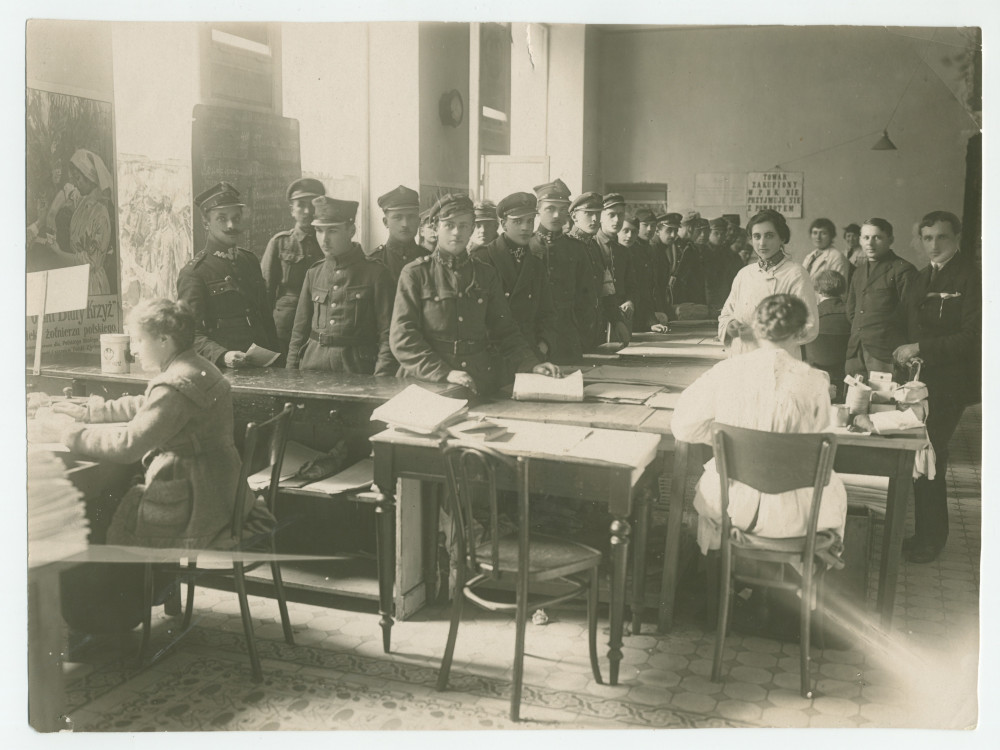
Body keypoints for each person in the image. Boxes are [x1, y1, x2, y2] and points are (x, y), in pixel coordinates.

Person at [46, 299, 274, 549]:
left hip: (196, 508)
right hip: (222, 495)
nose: (133, 349)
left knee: (95, 516)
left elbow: (127, 446)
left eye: (139, 340)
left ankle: (128, 584)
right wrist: (90, 413)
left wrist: (66, 432)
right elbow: (150, 402)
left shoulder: (175, 384)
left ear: (164, 340)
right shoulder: (197, 366)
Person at [673, 293, 847, 555]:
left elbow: (682, 426)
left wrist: (727, 441)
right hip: (799, 519)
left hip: (732, 509)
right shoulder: (816, 382)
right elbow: (815, 440)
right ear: (801, 333)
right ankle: (793, 579)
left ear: (755, 327)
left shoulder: (726, 371)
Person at [390, 193, 561, 396]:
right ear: (435, 228)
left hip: (477, 380)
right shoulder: (415, 274)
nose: (457, 232)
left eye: (463, 226)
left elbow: (505, 330)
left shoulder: (485, 274)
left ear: (471, 229)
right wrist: (443, 372)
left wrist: (532, 364)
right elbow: (403, 338)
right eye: (449, 225)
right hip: (426, 382)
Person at [892, 211, 980, 564]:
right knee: (920, 456)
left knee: (930, 456)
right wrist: (900, 352)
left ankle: (932, 540)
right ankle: (923, 535)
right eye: (927, 238)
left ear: (957, 237)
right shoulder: (922, 277)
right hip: (918, 382)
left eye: (941, 237)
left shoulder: (972, 278)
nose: (934, 245)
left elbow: (973, 337)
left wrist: (920, 349)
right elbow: (903, 323)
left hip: (949, 385)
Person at [286, 196, 396, 375]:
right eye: (320, 231)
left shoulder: (376, 274)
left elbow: (387, 334)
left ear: (351, 230)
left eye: (333, 231)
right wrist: (290, 374)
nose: (324, 239)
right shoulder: (314, 273)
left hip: (357, 368)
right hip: (312, 365)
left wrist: (381, 377)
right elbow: (298, 333)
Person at [177, 182, 280, 369]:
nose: (231, 225)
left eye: (236, 218)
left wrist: (277, 360)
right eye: (222, 219)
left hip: (263, 364)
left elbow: (265, 318)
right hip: (223, 369)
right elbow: (189, 334)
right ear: (206, 223)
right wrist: (223, 355)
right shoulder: (194, 273)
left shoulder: (249, 261)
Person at [472, 191, 556, 379]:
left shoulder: (536, 264)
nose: (526, 228)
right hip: (493, 357)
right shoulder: (482, 259)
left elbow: (547, 313)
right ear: (503, 224)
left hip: (530, 356)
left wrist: (544, 344)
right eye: (518, 222)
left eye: (530, 221)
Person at [718, 209, 818, 358]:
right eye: (756, 236)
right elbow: (726, 313)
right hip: (742, 357)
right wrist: (730, 325)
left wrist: (762, 335)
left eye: (769, 236)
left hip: (777, 360)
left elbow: (809, 327)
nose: (762, 243)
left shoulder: (796, 274)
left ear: (782, 238)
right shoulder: (744, 274)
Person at [528, 178, 595, 363]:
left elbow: (587, 297)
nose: (557, 215)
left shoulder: (576, 249)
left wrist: (582, 334)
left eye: (563, 209)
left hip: (568, 336)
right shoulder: (527, 246)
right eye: (550, 208)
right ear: (538, 210)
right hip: (532, 334)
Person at [260, 177, 326, 357]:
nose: (307, 211)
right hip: (286, 325)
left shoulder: (329, 243)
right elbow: (265, 292)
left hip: (320, 324)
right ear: (292, 210)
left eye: (313, 205)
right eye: (301, 205)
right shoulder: (279, 243)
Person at [844, 217, 916, 379]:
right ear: (860, 240)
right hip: (856, 350)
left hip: (885, 353)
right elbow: (851, 311)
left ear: (890, 240)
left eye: (877, 237)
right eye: (866, 237)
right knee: (854, 400)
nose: (870, 243)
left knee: (884, 402)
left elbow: (911, 314)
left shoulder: (903, 270)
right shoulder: (858, 272)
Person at [67, 148, 116, 295]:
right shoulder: (82, 204)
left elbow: (92, 262)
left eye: (78, 178)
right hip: (78, 280)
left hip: (93, 285)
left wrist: (58, 254)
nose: (75, 183)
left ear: (90, 177)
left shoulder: (100, 211)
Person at [568, 191, 611, 347]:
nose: (594, 219)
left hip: (595, 329)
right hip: (573, 332)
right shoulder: (568, 247)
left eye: (598, 214)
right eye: (588, 213)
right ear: (574, 217)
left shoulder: (594, 246)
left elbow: (605, 288)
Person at [594, 193, 636, 341]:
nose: (617, 220)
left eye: (620, 215)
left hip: (620, 319)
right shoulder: (592, 246)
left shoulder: (623, 251)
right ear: (600, 216)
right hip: (597, 319)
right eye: (611, 215)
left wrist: (629, 300)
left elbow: (630, 284)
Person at [805, 269, 851, 397]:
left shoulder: (810, 316)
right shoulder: (852, 315)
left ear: (818, 290)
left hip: (815, 375)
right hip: (845, 375)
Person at [368, 184, 428, 282]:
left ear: (418, 221)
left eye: (411, 217)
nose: (405, 224)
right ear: (385, 222)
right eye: (398, 217)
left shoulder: (430, 260)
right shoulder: (372, 262)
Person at [622, 214, 657, 332]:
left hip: (634, 319)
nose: (629, 236)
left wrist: (651, 322)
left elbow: (644, 291)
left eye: (634, 232)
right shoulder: (607, 253)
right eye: (625, 231)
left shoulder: (637, 254)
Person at [704, 216, 743, 314]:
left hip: (724, 299)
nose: (719, 236)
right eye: (716, 233)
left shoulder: (728, 253)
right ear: (709, 233)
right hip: (706, 300)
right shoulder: (702, 252)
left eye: (722, 234)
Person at [651, 212, 682, 313]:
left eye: (676, 231)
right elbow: (654, 287)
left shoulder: (665, 248)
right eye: (669, 230)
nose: (673, 235)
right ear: (657, 230)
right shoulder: (653, 249)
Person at [802, 217, 850, 282]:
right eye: (815, 233)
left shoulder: (837, 257)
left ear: (831, 236)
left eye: (823, 233)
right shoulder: (810, 256)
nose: (818, 237)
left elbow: (838, 288)